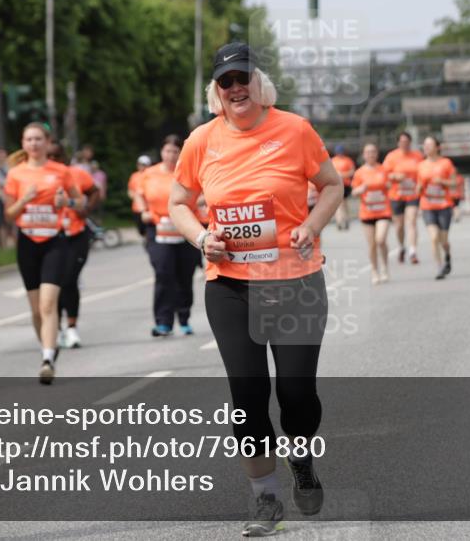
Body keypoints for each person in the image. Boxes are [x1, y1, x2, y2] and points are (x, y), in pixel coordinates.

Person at [168, 42, 342, 536]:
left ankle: (301, 457)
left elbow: (332, 185)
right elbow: (179, 201)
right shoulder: (201, 140)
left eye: (242, 77)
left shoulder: (295, 129)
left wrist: (311, 225)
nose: (236, 87)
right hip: (231, 285)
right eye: (226, 81)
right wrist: (202, 237)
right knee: (247, 396)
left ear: (258, 83)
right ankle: (265, 498)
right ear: (216, 92)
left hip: (296, 281)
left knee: (297, 395)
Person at [3, 123, 84, 384]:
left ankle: (48, 359)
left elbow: (81, 201)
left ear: (47, 142)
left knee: (48, 304)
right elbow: (9, 214)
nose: (34, 144)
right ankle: (47, 346)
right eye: (29, 139)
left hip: (54, 242)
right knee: (36, 308)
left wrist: (66, 202)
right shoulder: (16, 174)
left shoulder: (61, 171)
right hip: (27, 242)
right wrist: (24, 199)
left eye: (38, 139)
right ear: (23, 143)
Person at [137, 135, 200, 337]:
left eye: (175, 151)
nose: (171, 155)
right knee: (164, 272)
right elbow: (139, 194)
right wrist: (143, 211)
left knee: (185, 274)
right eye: (167, 151)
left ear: (181, 153)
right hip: (158, 227)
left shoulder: (188, 171)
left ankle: (184, 317)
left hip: (186, 226)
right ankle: (163, 322)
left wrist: (195, 204)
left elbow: (204, 194)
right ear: (161, 152)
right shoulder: (149, 174)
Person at [49, 143, 99, 349]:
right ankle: (56, 328)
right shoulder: (37, 176)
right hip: (51, 236)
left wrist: (86, 210)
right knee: (53, 284)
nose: (54, 160)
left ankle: (71, 327)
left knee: (69, 280)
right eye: (50, 156)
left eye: (57, 156)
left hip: (76, 234)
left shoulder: (76, 174)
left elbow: (94, 191)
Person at [416, 136, 458, 280]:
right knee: (434, 237)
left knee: (443, 240)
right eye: (425, 145)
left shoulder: (446, 163)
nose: (426, 147)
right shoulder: (421, 165)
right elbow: (417, 188)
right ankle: (439, 267)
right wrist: (420, 187)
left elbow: (454, 183)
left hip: (444, 205)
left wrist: (442, 181)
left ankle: (447, 255)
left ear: (437, 147)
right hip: (427, 206)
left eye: (430, 145)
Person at [352, 143, 392, 284]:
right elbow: (354, 192)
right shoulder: (359, 172)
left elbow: (390, 186)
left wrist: (387, 186)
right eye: (368, 152)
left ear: (377, 154)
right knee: (372, 245)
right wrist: (361, 189)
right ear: (364, 155)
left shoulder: (383, 169)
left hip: (383, 210)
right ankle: (375, 270)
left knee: (380, 239)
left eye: (373, 152)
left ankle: (385, 267)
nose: (371, 154)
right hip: (367, 213)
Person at [382, 132, 423, 264]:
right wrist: (394, 176)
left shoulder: (417, 156)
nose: (404, 144)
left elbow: (423, 173)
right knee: (399, 226)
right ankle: (401, 246)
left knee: (412, 221)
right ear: (398, 143)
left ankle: (413, 251)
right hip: (396, 195)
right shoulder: (391, 157)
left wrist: (420, 185)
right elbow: (384, 174)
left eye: (407, 142)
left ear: (410, 142)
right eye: (402, 142)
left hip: (412, 194)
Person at [330, 144, 355, 230]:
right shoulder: (332, 161)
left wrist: (342, 175)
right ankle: (340, 220)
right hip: (335, 184)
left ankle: (344, 219)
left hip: (345, 184)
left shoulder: (347, 160)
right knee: (339, 203)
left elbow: (352, 172)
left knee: (343, 203)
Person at [128, 155, 152, 239]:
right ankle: (146, 238)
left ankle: (149, 240)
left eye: (144, 164)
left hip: (149, 207)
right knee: (140, 229)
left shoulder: (151, 175)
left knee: (149, 227)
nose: (141, 166)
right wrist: (134, 196)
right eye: (140, 164)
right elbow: (130, 190)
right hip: (136, 208)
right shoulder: (134, 176)